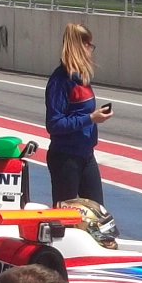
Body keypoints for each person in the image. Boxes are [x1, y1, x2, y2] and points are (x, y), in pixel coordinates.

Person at [45, 21, 113, 204]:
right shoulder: (60, 80)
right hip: (65, 157)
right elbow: (54, 123)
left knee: (96, 211)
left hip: (86, 154)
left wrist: (94, 117)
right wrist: (90, 118)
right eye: (89, 45)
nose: (91, 50)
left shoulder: (82, 78)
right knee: (65, 213)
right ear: (80, 46)